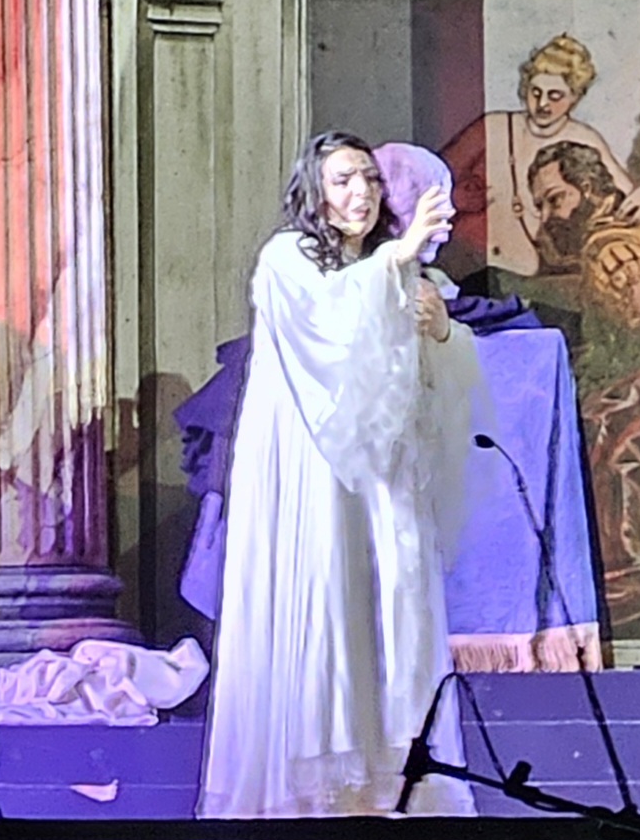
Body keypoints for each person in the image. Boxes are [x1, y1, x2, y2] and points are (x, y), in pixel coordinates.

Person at [201, 131, 483, 819]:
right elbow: (329, 330)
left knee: (392, 614)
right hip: (318, 479)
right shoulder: (288, 258)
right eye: (343, 180)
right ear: (316, 193)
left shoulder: (395, 267)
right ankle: (319, 791)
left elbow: (430, 378)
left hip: (385, 482)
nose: (361, 193)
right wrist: (398, 259)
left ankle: (398, 780)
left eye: (369, 179)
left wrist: (442, 331)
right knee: (330, 607)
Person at [442, 36, 638, 279]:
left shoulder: (585, 138)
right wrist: (457, 199)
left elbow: (627, 199)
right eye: (535, 92)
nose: (542, 104)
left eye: (555, 96)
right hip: (471, 267)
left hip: (535, 275)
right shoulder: (493, 127)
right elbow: (428, 179)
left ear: (575, 96)